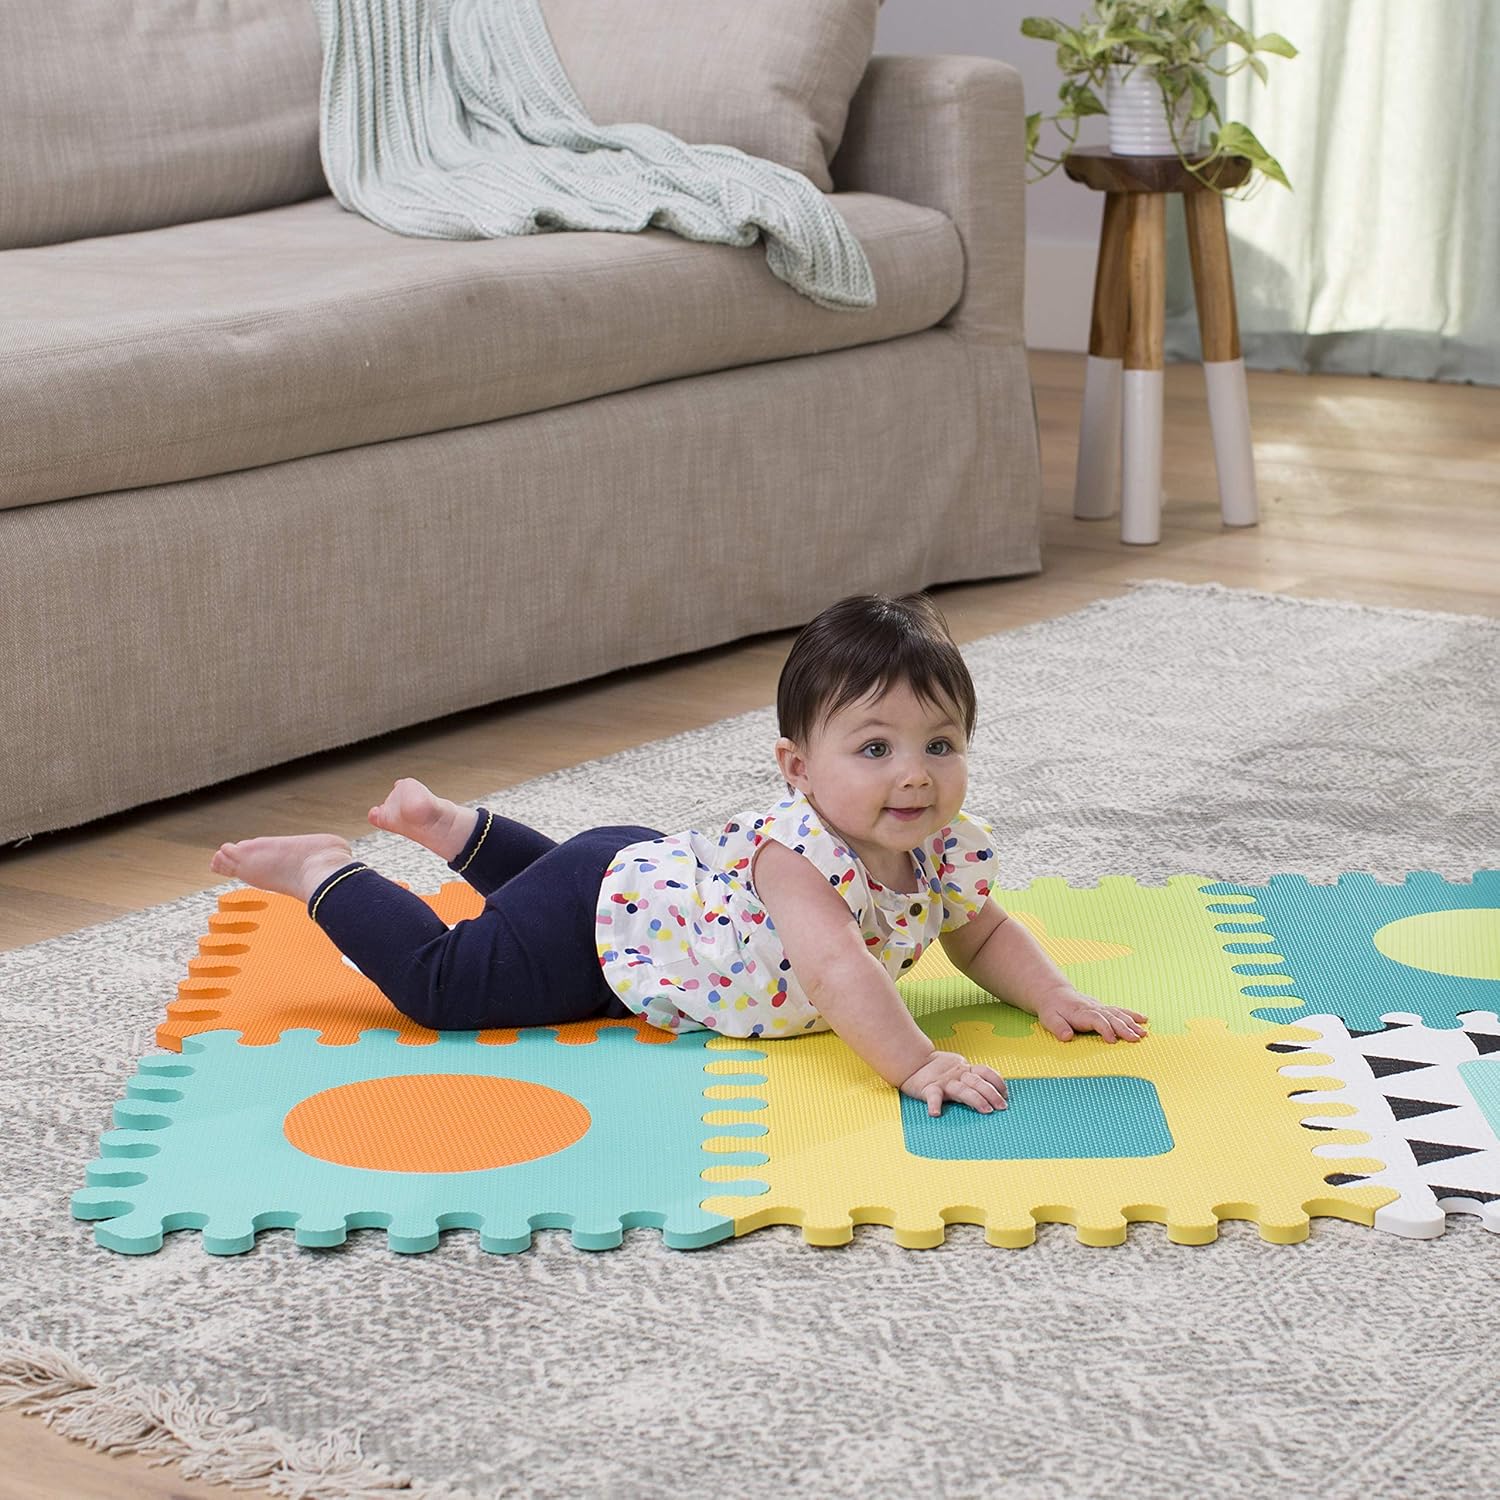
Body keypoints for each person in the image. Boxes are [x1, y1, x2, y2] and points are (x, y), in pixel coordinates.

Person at [210, 592, 1148, 1117]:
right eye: (874, 748)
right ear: (797, 768)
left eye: (941, 745)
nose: (914, 777)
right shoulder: (799, 857)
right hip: (604, 930)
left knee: (554, 898)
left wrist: (1055, 994)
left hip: (640, 881)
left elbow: (980, 937)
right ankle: (322, 871)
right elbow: (834, 969)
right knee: (450, 987)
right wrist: (915, 1063)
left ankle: (453, 831)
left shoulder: (943, 852)